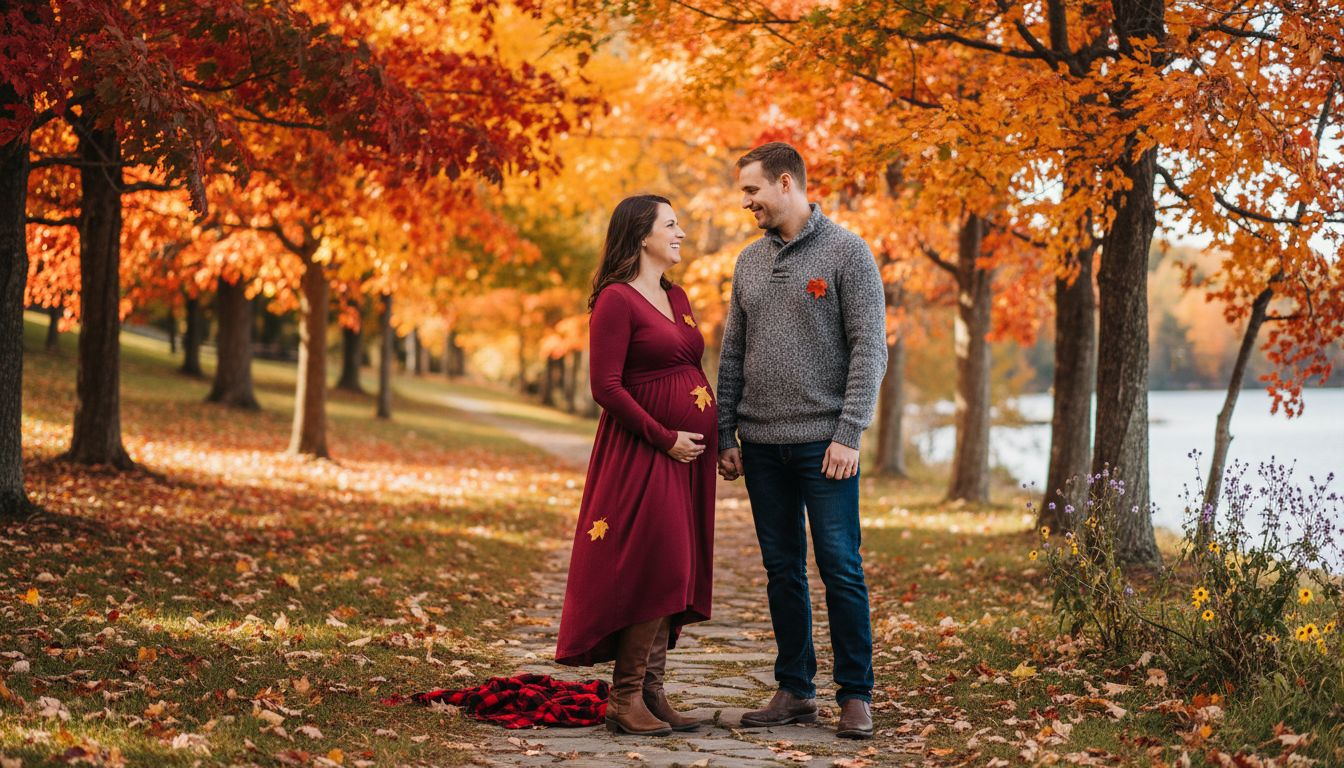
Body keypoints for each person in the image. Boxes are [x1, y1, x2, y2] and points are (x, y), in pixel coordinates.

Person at [716, 142, 886, 740]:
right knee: (781, 568)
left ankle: (855, 694)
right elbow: (733, 351)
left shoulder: (848, 253)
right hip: (760, 446)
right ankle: (794, 689)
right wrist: (725, 433)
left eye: (752, 190)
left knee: (839, 566)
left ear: (785, 184)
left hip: (825, 448)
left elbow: (870, 348)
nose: (746, 203)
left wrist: (849, 432)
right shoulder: (748, 262)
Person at [555, 194, 717, 737]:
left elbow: (688, 367)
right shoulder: (616, 301)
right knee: (659, 561)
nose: (681, 233)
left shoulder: (678, 294)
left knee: (677, 565)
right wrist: (664, 436)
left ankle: (651, 693)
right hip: (644, 450)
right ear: (642, 234)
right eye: (671, 225)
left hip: (685, 456)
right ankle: (624, 699)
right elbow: (605, 387)